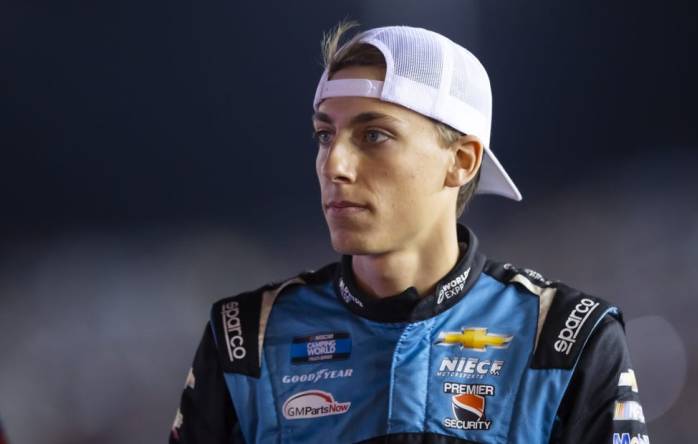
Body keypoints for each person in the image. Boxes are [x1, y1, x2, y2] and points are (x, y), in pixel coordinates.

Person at [170, 22, 649, 444]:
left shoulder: (568, 338)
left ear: (461, 161)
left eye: (373, 135)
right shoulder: (244, 339)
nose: (334, 164)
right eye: (324, 135)